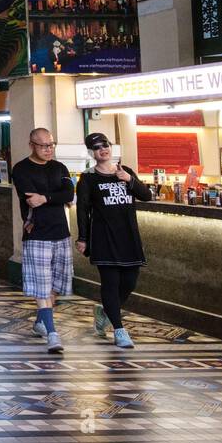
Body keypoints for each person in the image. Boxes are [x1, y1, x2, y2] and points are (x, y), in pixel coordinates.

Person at [76, 132, 150, 348]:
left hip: (129, 237)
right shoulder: (88, 178)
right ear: (92, 153)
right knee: (110, 283)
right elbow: (82, 210)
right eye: (97, 147)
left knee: (130, 282)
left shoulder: (125, 172)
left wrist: (130, 180)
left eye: (105, 145)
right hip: (103, 238)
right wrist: (82, 238)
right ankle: (119, 330)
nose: (103, 149)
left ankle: (105, 310)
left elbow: (146, 195)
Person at [11, 127, 75, 354]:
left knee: (55, 288)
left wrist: (46, 197)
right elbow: (31, 200)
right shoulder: (21, 169)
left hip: (61, 233)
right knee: (41, 288)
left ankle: (40, 322)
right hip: (36, 234)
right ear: (32, 145)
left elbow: (69, 194)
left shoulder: (60, 168)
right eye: (43, 146)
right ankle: (52, 333)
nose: (48, 149)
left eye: (51, 145)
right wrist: (54, 198)